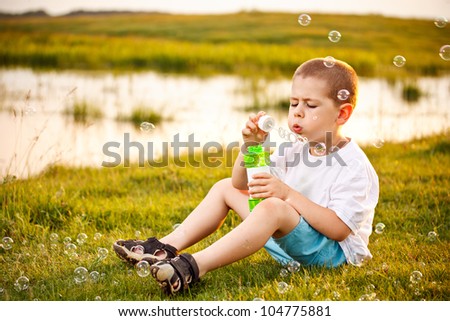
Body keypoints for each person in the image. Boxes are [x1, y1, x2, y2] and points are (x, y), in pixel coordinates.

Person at [113, 58, 379, 295]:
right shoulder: (294, 149)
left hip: (331, 256)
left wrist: (286, 194)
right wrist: (251, 146)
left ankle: (192, 267)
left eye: (310, 105)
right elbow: (243, 184)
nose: (297, 111)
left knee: (274, 206)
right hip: (290, 246)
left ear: (342, 113)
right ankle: (163, 249)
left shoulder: (353, 165)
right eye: (293, 103)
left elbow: (339, 228)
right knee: (225, 188)